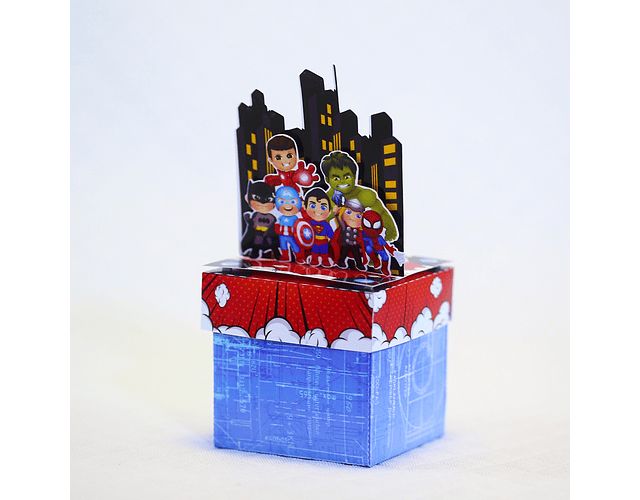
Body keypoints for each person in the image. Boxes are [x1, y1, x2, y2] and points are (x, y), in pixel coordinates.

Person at [320, 151, 398, 243]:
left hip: (362, 241)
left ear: (354, 176)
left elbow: (381, 213)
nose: (342, 182)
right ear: (327, 180)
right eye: (336, 178)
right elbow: (318, 221)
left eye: (347, 177)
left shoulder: (365, 195)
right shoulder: (325, 199)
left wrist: (391, 232)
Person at [330, 198, 367, 270]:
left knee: (357, 255)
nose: (353, 218)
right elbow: (340, 221)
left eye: (358, 216)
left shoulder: (358, 230)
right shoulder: (344, 226)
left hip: (355, 244)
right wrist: (337, 214)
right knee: (343, 253)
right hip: (345, 243)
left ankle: (359, 264)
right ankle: (340, 262)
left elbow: (361, 238)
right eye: (349, 212)